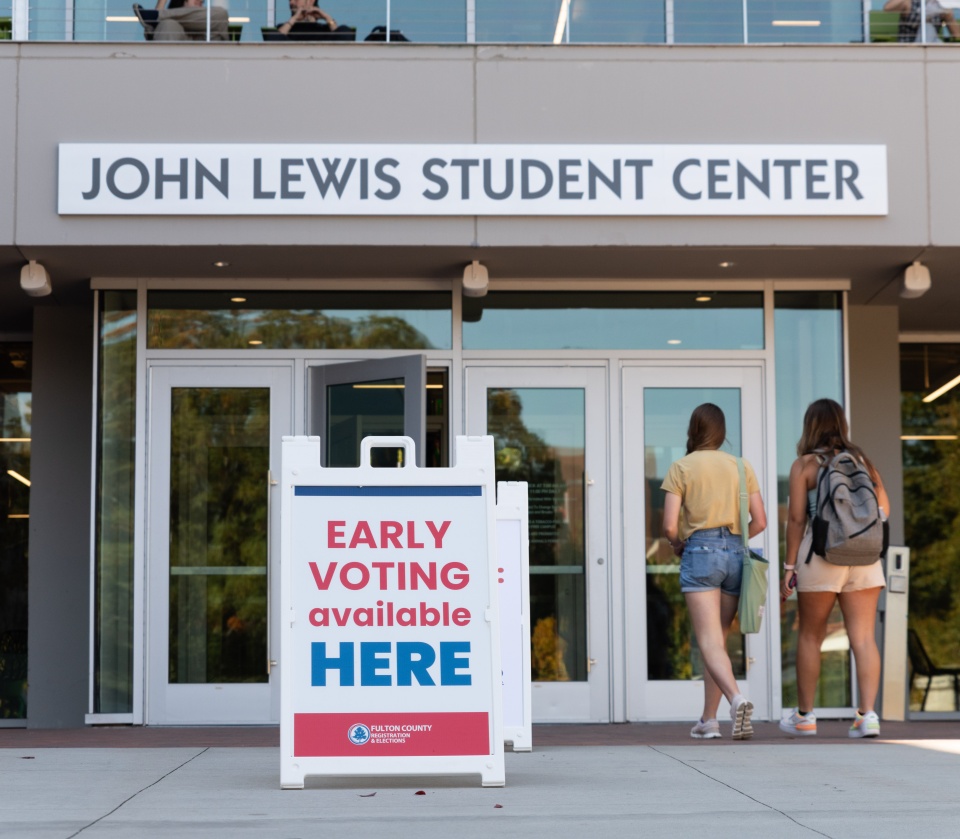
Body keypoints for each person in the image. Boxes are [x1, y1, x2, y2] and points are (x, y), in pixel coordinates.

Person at [779, 398, 889, 739]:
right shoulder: (862, 461)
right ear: (841, 424)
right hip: (865, 558)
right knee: (863, 638)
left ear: (810, 425)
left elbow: (797, 519)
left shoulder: (805, 465)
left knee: (811, 636)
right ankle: (867, 716)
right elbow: (884, 510)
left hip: (822, 555)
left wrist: (789, 566)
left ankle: (806, 717)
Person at [662, 403, 767, 740]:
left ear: (694, 430)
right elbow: (761, 520)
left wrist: (680, 545)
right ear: (721, 433)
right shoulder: (741, 466)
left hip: (701, 553)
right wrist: (733, 541)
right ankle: (709, 720)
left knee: (707, 641)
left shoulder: (681, 467)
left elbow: (667, 526)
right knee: (718, 641)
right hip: (736, 551)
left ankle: (737, 700)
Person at [883, 0, 960, 42]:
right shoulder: (910, 3)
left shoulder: (941, 4)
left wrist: (950, 17)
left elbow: (957, 35)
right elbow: (887, 7)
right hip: (909, 47)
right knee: (927, 27)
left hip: (932, 45)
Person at [153, 0, 230, 42]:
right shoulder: (170, 26)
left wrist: (156, 15)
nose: (201, 1)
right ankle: (157, 16)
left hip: (209, 63)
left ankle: (157, 15)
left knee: (221, 14)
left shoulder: (211, 25)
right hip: (176, 64)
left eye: (202, 2)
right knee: (168, 24)